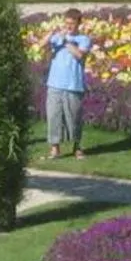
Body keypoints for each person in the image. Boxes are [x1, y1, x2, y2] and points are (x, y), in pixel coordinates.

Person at [43, 11, 93, 159]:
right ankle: (54, 148)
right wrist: (50, 35)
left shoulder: (83, 39)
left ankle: (77, 146)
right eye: (67, 23)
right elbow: (42, 47)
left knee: (74, 118)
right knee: (53, 116)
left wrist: (66, 41)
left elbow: (79, 55)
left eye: (72, 23)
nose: (68, 26)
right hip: (54, 83)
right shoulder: (57, 38)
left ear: (78, 23)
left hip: (73, 84)